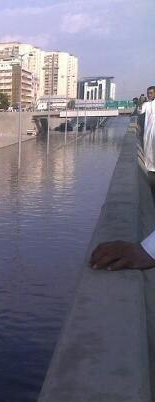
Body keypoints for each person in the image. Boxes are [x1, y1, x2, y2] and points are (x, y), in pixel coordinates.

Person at [90, 86, 155, 271]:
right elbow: (140, 112)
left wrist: (150, 250)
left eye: (151, 94)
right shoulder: (148, 106)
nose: (150, 96)